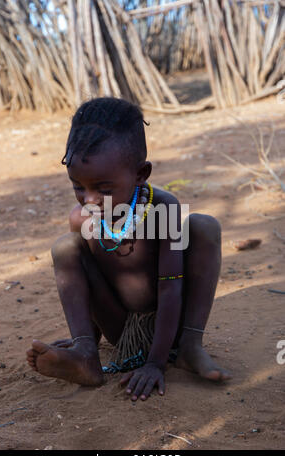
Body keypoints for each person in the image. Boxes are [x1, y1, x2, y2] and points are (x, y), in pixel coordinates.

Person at [26, 97, 231, 402]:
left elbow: (171, 291)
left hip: (170, 325)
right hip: (122, 330)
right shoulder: (83, 219)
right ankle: (85, 357)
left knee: (204, 226)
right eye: (78, 186)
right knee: (65, 247)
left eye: (104, 189)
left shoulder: (163, 208)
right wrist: (87, 339)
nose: (90, 199)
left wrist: (155, 364)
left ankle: (190, 347)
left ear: (140, 174)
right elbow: (88, 282)